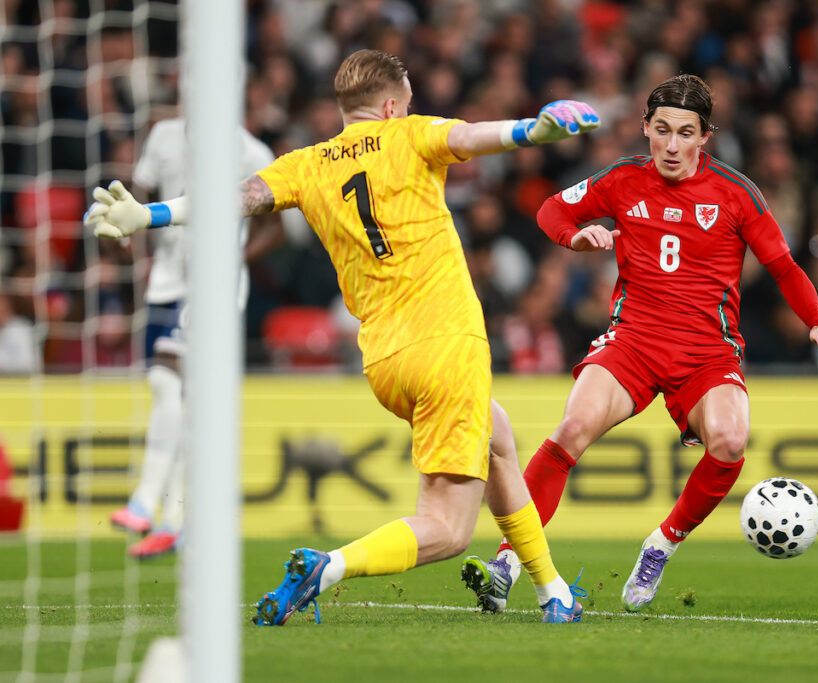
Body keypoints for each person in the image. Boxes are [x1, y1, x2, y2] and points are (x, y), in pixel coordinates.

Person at [85, 49, 600, 624]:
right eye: (406, 103)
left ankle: (552, 590)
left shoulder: (305, 164)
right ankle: (327, 566)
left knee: (497, 434)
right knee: (449, 530)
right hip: (446, 343)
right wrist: (538, 129)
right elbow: (477, 136)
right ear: (388, 107)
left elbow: (235, 199)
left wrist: (148, 215)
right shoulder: (409, 135)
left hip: (384, 359)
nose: (410, 111)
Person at [463, 74, 818, 614]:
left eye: (684, 133)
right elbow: (552, 208)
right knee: (573, 428)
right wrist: (575, 237)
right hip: (633, 343)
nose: (670, 144)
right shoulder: (621, 180)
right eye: (660, 129)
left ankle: (661, 544)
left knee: (731, 442)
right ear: (644, 127)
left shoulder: (737, 194)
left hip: (707, 354)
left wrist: (817, 320)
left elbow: (782, 265)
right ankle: (506, 561)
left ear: (704, 137)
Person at [106, 115, 285, 559]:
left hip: (213, 288)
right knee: (174, 395)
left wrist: (233, 256)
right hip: (165, 282)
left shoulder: (252, 153)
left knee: (173, 383)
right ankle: (175, 519)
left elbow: (275, 226)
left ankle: (146, 499)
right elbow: (143, 189)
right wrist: (131, 233)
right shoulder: (164, 136)